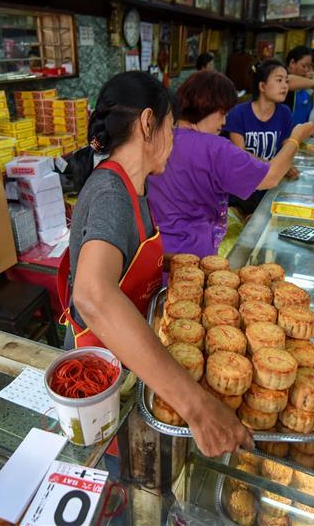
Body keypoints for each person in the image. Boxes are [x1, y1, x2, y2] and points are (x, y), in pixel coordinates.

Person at [66, 71, 252, 457]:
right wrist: (197, 407)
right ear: (149, 122)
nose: (175, 140)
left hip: (133, 356)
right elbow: (92, 295)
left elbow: (129, 258)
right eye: (171, 125)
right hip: (100, 373)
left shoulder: (138, 185)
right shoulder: (110, 193)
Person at [149, 71, 314, 257]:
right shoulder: (215, 148)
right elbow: (271, 176)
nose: (224, 122)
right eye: (223, 113)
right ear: (208, 105)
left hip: (156, 254)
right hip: (192, 258)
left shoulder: (160, 139)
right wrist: (295, 138)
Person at [225, 60, 304, 214]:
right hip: (242, 189)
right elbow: (239, 153)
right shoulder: (238, 113)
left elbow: (287, 146)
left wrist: (287, 165)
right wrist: (274, 167)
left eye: (286, 81)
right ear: (262, 86)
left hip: (271, 186)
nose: (285, 86)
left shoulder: (284, 113)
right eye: (279, 80)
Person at [284, 46, 314, 126]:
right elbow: (287, 81)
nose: (306, 70)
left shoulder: (304, 87)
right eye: (304, 66)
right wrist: (313, 83)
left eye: (309, 67)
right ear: (292, 63)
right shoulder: (282, 82)